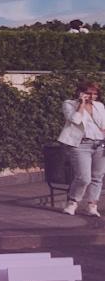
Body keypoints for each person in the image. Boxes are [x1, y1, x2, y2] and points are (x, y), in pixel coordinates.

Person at [58, 81, 105, 217]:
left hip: (100, 144)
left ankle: (92, 206)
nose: (92, 96)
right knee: (83, 178)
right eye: (88, 93)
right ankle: (72, 203)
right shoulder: (69, 104)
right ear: (80, 93)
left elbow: (103, 125)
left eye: (94, 94)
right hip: (81, 145)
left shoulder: (99, 106)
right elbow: (75, 120)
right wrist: (81, 104)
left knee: (97, 177)